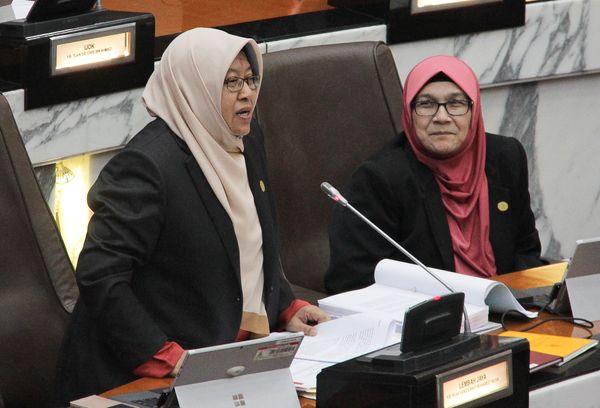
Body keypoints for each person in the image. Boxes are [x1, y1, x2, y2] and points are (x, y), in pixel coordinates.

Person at [54, 27, 328, 404]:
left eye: (251, 79)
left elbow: (250, 243)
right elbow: (100, 276)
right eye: (230, 82)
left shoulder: (246, 139)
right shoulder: (146, 167)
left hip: (225, 364)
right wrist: (163, 355)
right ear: (193, 87)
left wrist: (284, 306)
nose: (247, 93)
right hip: (138, 377)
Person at [325, 55, 543, 294]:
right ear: (409, 113)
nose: (441, 117)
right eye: (426, 104)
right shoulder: (379, 179)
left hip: (509, 304)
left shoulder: (505, 156)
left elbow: (526, 249)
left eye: (456, 103)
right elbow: (353, 281)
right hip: (432, 310)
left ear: (474, 110)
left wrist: (524, 300)